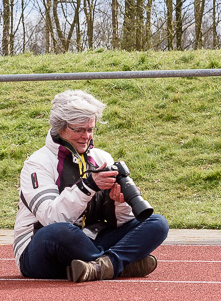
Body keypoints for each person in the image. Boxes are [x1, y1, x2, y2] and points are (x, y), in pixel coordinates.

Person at [14, 90, 169, 282]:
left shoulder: (102, 158)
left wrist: (119, 202)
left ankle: (101, 266)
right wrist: (88, 186)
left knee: (157, 223)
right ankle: (120, 263)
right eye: (78, 130)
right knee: (61, 231)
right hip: (41, 249)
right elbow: (51, 219)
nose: (85, 136)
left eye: (90, 129)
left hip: (91, 240)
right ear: (60, 127)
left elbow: (121, 222)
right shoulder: (38, 163)